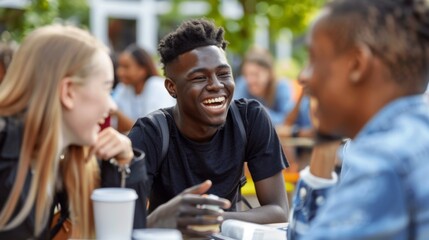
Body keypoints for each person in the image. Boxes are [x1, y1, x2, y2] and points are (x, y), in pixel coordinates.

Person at [128, 19, 289, 236]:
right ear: (172, 87)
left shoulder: (250, 119)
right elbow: (125, 224)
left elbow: (279, 211)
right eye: (199, 77)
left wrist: (211, 218)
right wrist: (167, 218)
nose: (216, 85)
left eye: (224, 74)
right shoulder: (151, 133)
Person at [287, 0, 429, 239]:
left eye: (313, 59)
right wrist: (325, 142)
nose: (304, 77)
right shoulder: (412, 138)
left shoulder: (384, 161)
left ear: (357, 65)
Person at [0, 25, 147, 239]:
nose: (112, 106)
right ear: (68, 91)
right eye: (106, 88)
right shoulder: (8, 155)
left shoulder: (59, 159)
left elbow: (123, 232)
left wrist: (126, 164)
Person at [112, 44, 175, 133]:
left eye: (126, 67)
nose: (119, 72)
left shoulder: (157, 86)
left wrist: (116, 112)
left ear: (143, 70)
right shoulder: (123, 88)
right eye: (119, 66)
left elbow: (150, 131)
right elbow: (115, 126)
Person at [234, 47, 294, 125]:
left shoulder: (281, 86)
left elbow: (288, 119)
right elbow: (234, 114)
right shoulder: (243, 83)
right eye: (246, 74)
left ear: (269, 73)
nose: (250, 80)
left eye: (255, 74)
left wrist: (261, 113)